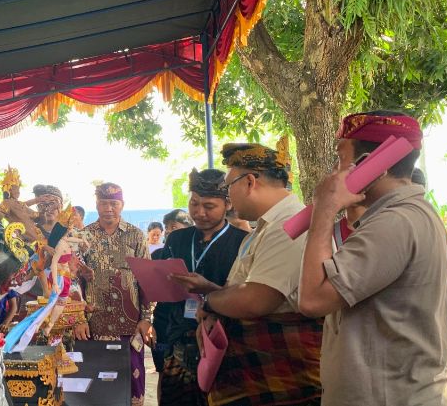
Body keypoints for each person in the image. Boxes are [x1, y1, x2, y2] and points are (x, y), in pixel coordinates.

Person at [299, 111, 447, 406]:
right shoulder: (405, 216)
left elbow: (312, 300)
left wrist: (324, 209)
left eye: (340, 158)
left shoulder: (396, 222)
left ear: (374, 167)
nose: (335, 171)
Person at [174, 142, 321, 405]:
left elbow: (256, 300)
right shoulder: (265, 229)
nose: (228, 197)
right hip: (257, 373)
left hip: (280, 374)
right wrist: (212, 290)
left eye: (228, 187)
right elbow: (248, 291)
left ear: (250, 182)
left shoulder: (289, 226)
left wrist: (210, 302)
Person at [153, 169, 248, 406]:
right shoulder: (177, 239)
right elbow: (165, 293)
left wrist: (208, 288)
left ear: (227, 204)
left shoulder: (243, 241)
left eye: (209, 206)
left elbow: (246, 294)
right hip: (178, 340)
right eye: (194, 204)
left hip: (222, 344)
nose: (199, 212)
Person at [75, 182, 151, 406]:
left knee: (132, 383)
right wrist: (78, 318)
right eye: (104, 203)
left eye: (113, 203)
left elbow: (146, 279)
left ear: (122, 205)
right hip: (93, 324)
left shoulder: (136, 236)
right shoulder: (83, 236)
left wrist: (147, 318)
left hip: (130, 323)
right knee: (96, 383)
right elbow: (73, 282)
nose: (109, 208)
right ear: (97, 205)